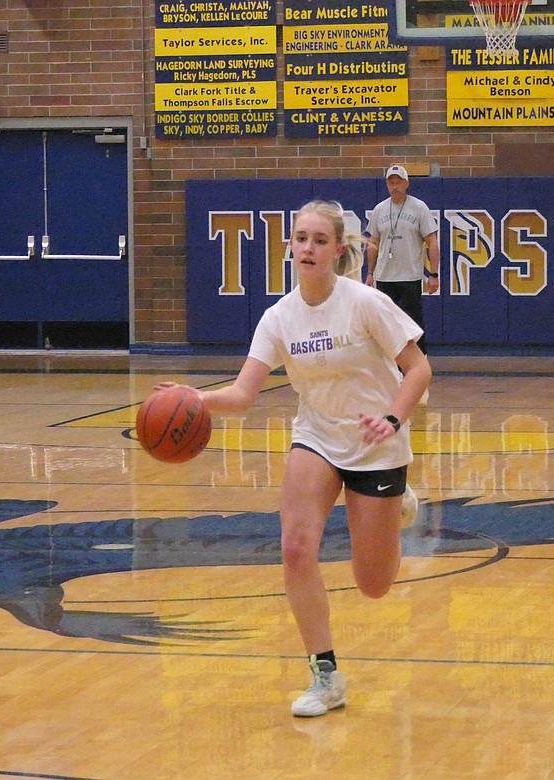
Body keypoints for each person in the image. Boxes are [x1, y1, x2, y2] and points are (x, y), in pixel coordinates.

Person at [158, 200, 431, 718]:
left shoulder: (364, 303)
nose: (308, 248)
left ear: (337, 250)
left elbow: (418, 370)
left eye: (319, 240)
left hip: (378, 443)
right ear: (290, 247)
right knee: (295, 548)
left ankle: (397, 504)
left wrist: (393, 419)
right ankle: (326, 676)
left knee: (374, 585)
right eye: (300, 238)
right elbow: (243, 394)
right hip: (318, 437)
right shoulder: (278, 317)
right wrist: (194, 398)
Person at [365, 164, 440, 356]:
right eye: (391, 182)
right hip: (384, 276)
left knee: (412, 321)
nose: (395, 186)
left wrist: (434, 274)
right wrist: (370, 273)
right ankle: (392, 362)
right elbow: (373, 242)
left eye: (399, 182)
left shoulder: (419, 207)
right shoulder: (379, 209)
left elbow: (432, 241)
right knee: (386, 322)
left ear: (407, 183)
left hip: (409, 276)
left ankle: (420, 359)